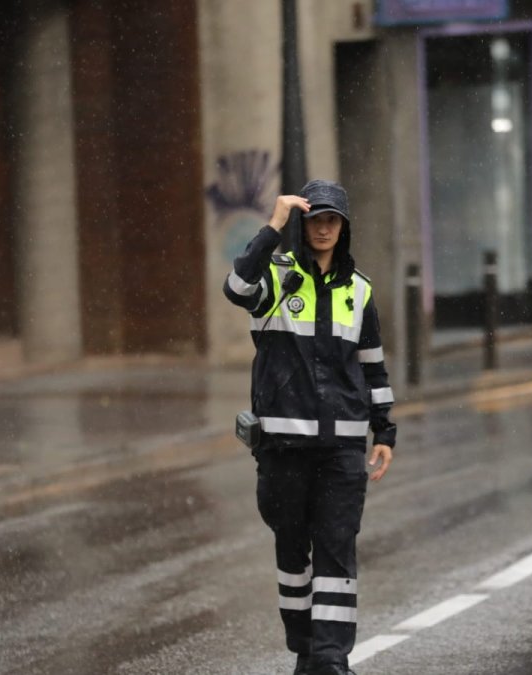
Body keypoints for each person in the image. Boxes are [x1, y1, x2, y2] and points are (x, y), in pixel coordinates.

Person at [223, 179, 396, 675]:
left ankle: (330, 660)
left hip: (341, 446)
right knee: (293, 553)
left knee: (338, 552)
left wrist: (384, 431)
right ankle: (305, 651)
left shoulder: (358, 289)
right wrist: (273, 225)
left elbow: (373, 366)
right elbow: (235, 288)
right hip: (282, 447)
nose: (323, 228)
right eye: (314, 219)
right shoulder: (275, 277)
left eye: (331, 220)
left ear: (343, 228)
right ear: (302, 224)